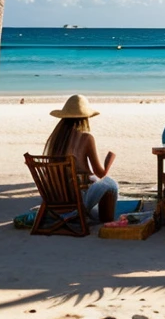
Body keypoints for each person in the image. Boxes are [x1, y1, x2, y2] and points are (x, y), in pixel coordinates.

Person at [44, 94, 118, 223]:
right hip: (77, 199)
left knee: (99, 183)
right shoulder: (86, 138)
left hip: (55, 197)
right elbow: (101, 173)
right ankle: (106, 220)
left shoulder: (56, 140)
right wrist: (109, 162)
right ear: (85, 118)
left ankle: (71, 215)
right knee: (111, 185)